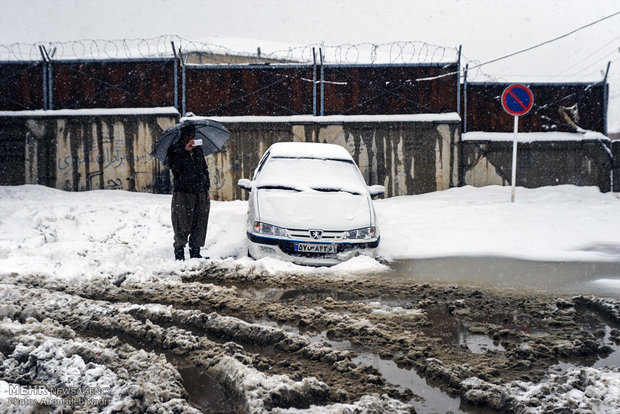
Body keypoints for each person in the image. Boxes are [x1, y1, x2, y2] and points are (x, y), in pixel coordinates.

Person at [167, 123, 210, 261]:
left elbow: (204, 167)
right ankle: (179, 253)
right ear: (182, 136)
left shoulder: (198, 150)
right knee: (182, 222)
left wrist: (205, 183)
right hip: (184, 191)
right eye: (188, 135)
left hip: (200, 190)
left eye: (193, 135)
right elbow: (175, 168)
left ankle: (195, 252)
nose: (191, 138)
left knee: (200, 222)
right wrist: (184, 151)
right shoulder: (174, 150)